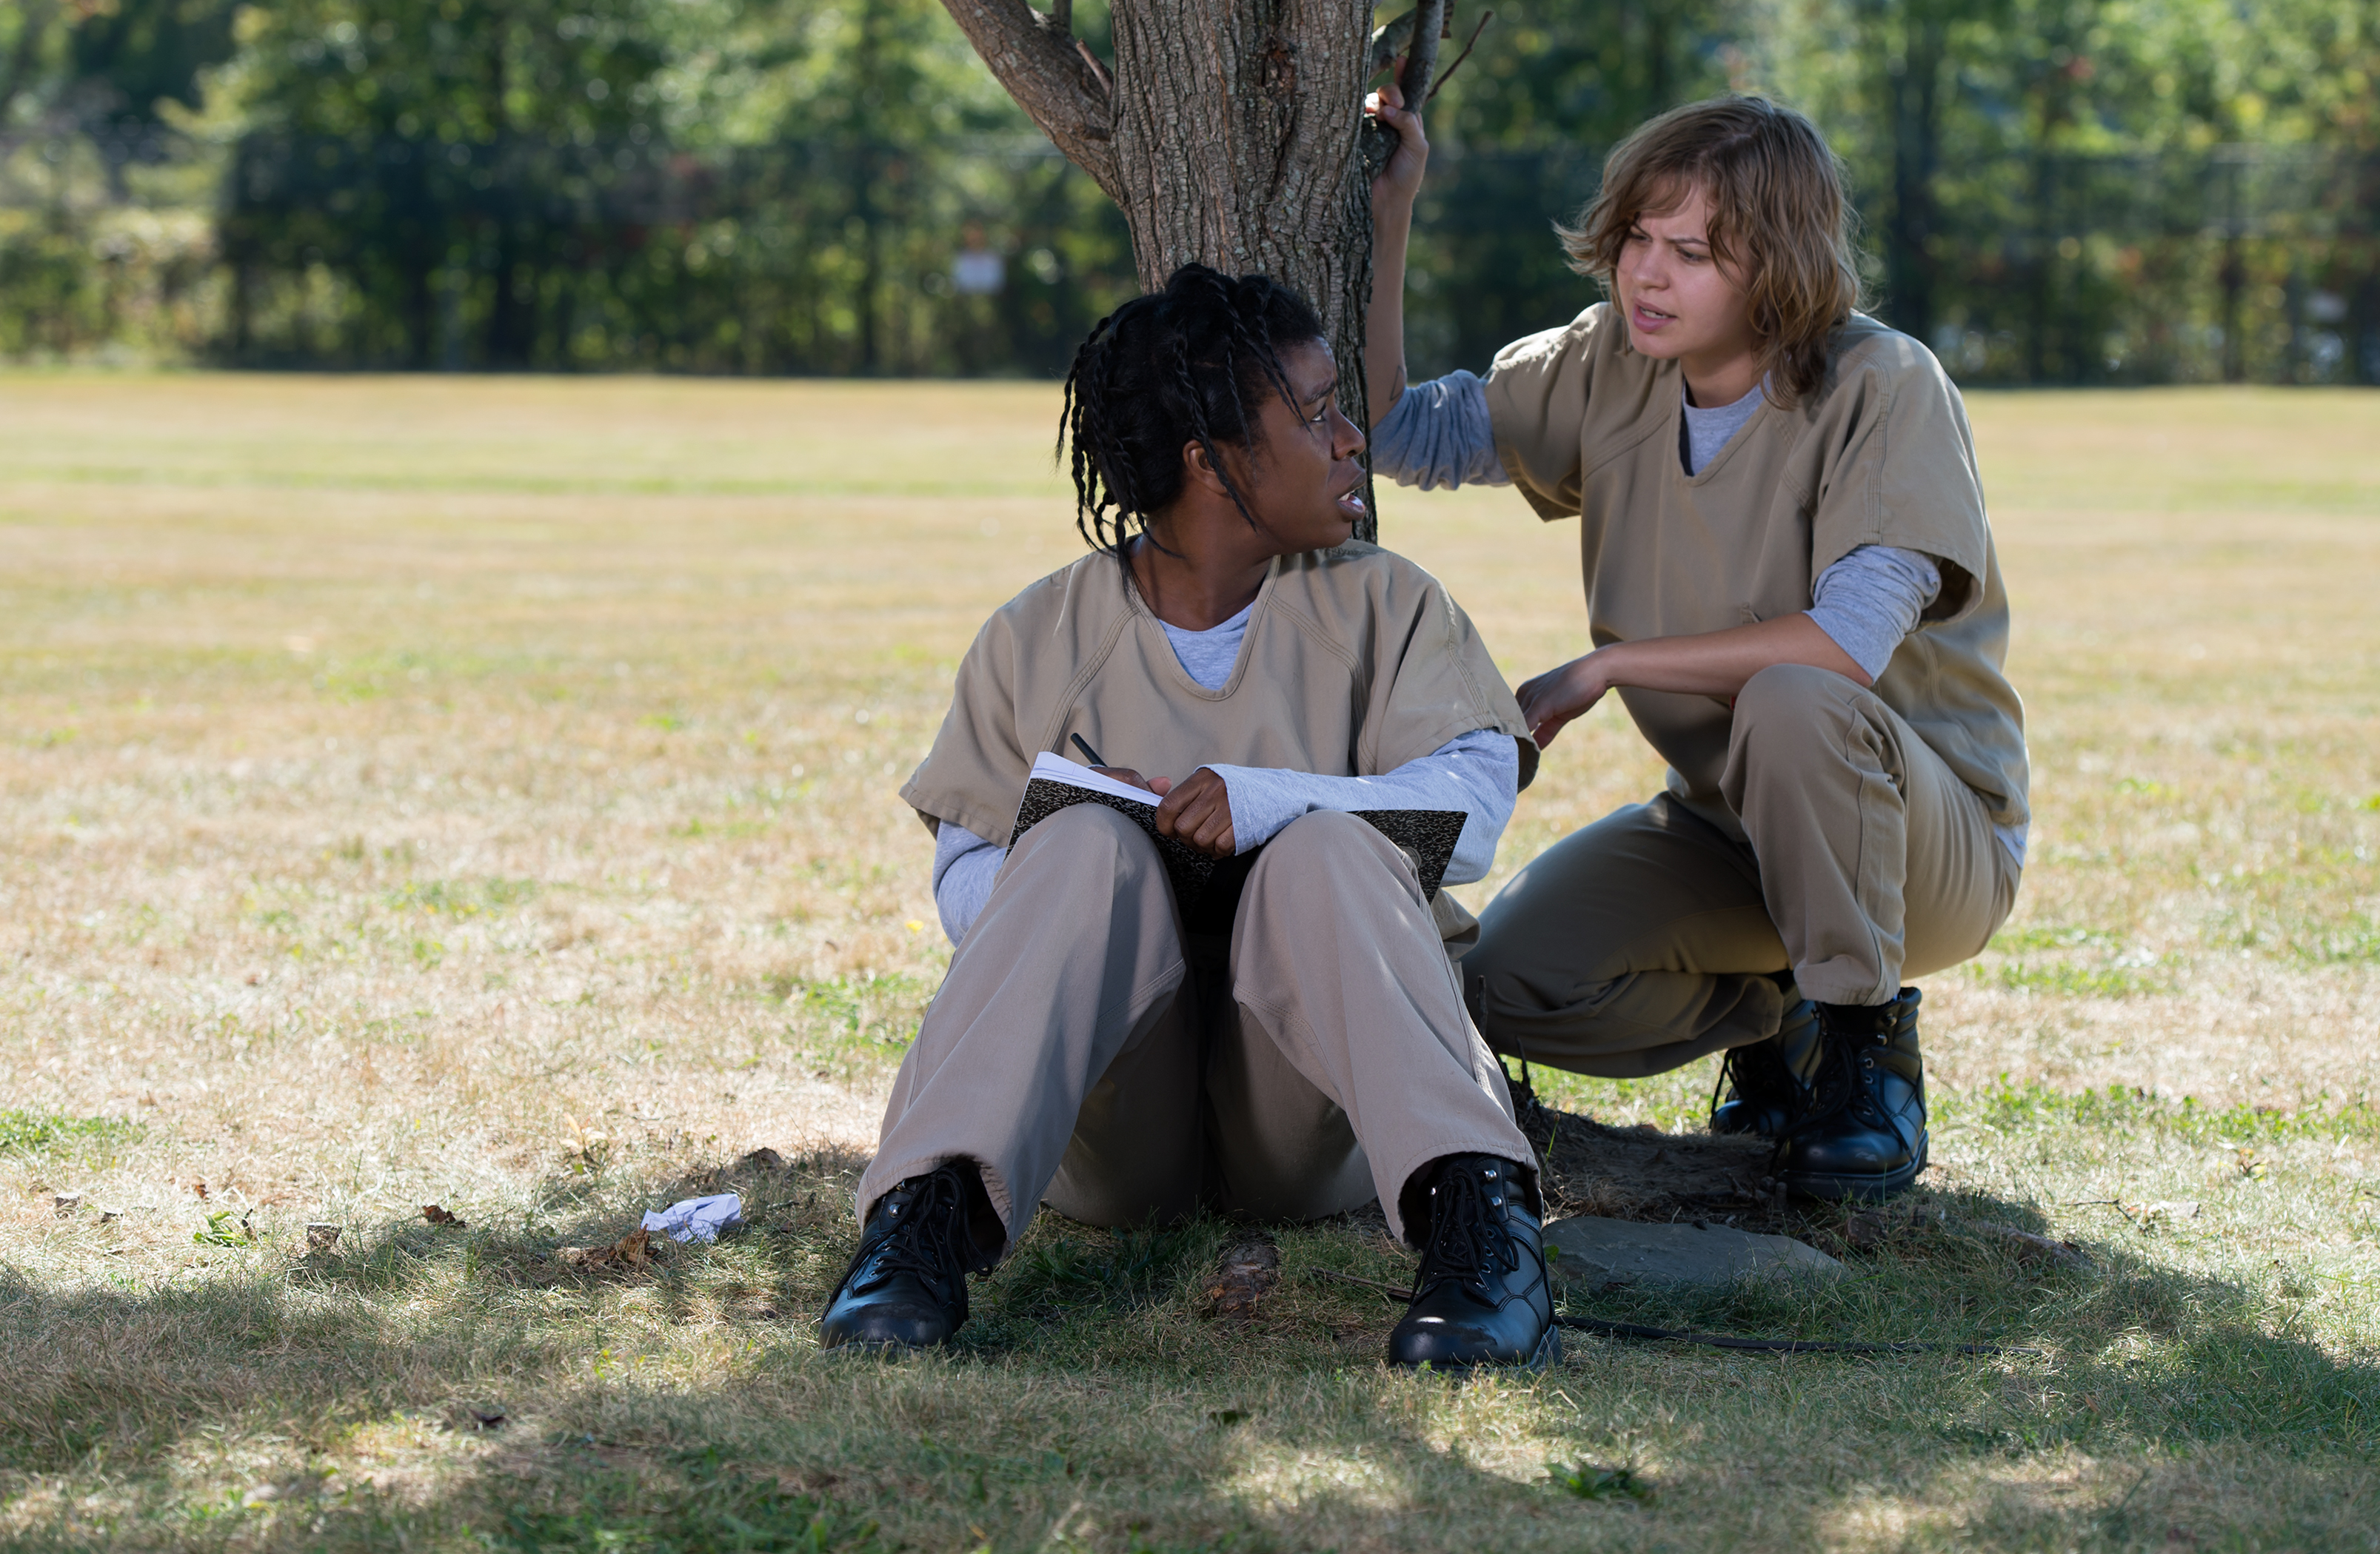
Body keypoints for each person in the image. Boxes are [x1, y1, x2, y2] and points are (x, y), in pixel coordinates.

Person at [820, 264, 1557, 1370]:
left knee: (1324, 852)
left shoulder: (1389, 602)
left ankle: (1483, 1236)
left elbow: (1476, 815)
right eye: (1315, 415)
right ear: (1209, 462)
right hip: (1113, 1119)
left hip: (1312, 1116)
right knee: (1072, 846)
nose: (1354, 437)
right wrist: (1127, 875)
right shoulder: (1037, 637)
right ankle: (919, 1227)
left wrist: (1266, 805)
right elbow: (966, 889)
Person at [1358, 88, 2028, 1202]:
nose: (1646, 274)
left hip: (1924, 847)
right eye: (1637, 238)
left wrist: (1608, 666)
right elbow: (1397, 433)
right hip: (1731, 832)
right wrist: (1391, 215)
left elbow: (1844, 649)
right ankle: (1784, 1016)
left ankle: (1866, 1063)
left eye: (1694, 252)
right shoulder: (1612, 364)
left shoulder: (1886, 387)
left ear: (1777, 266)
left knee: (1793, 698)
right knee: (1509, 982)